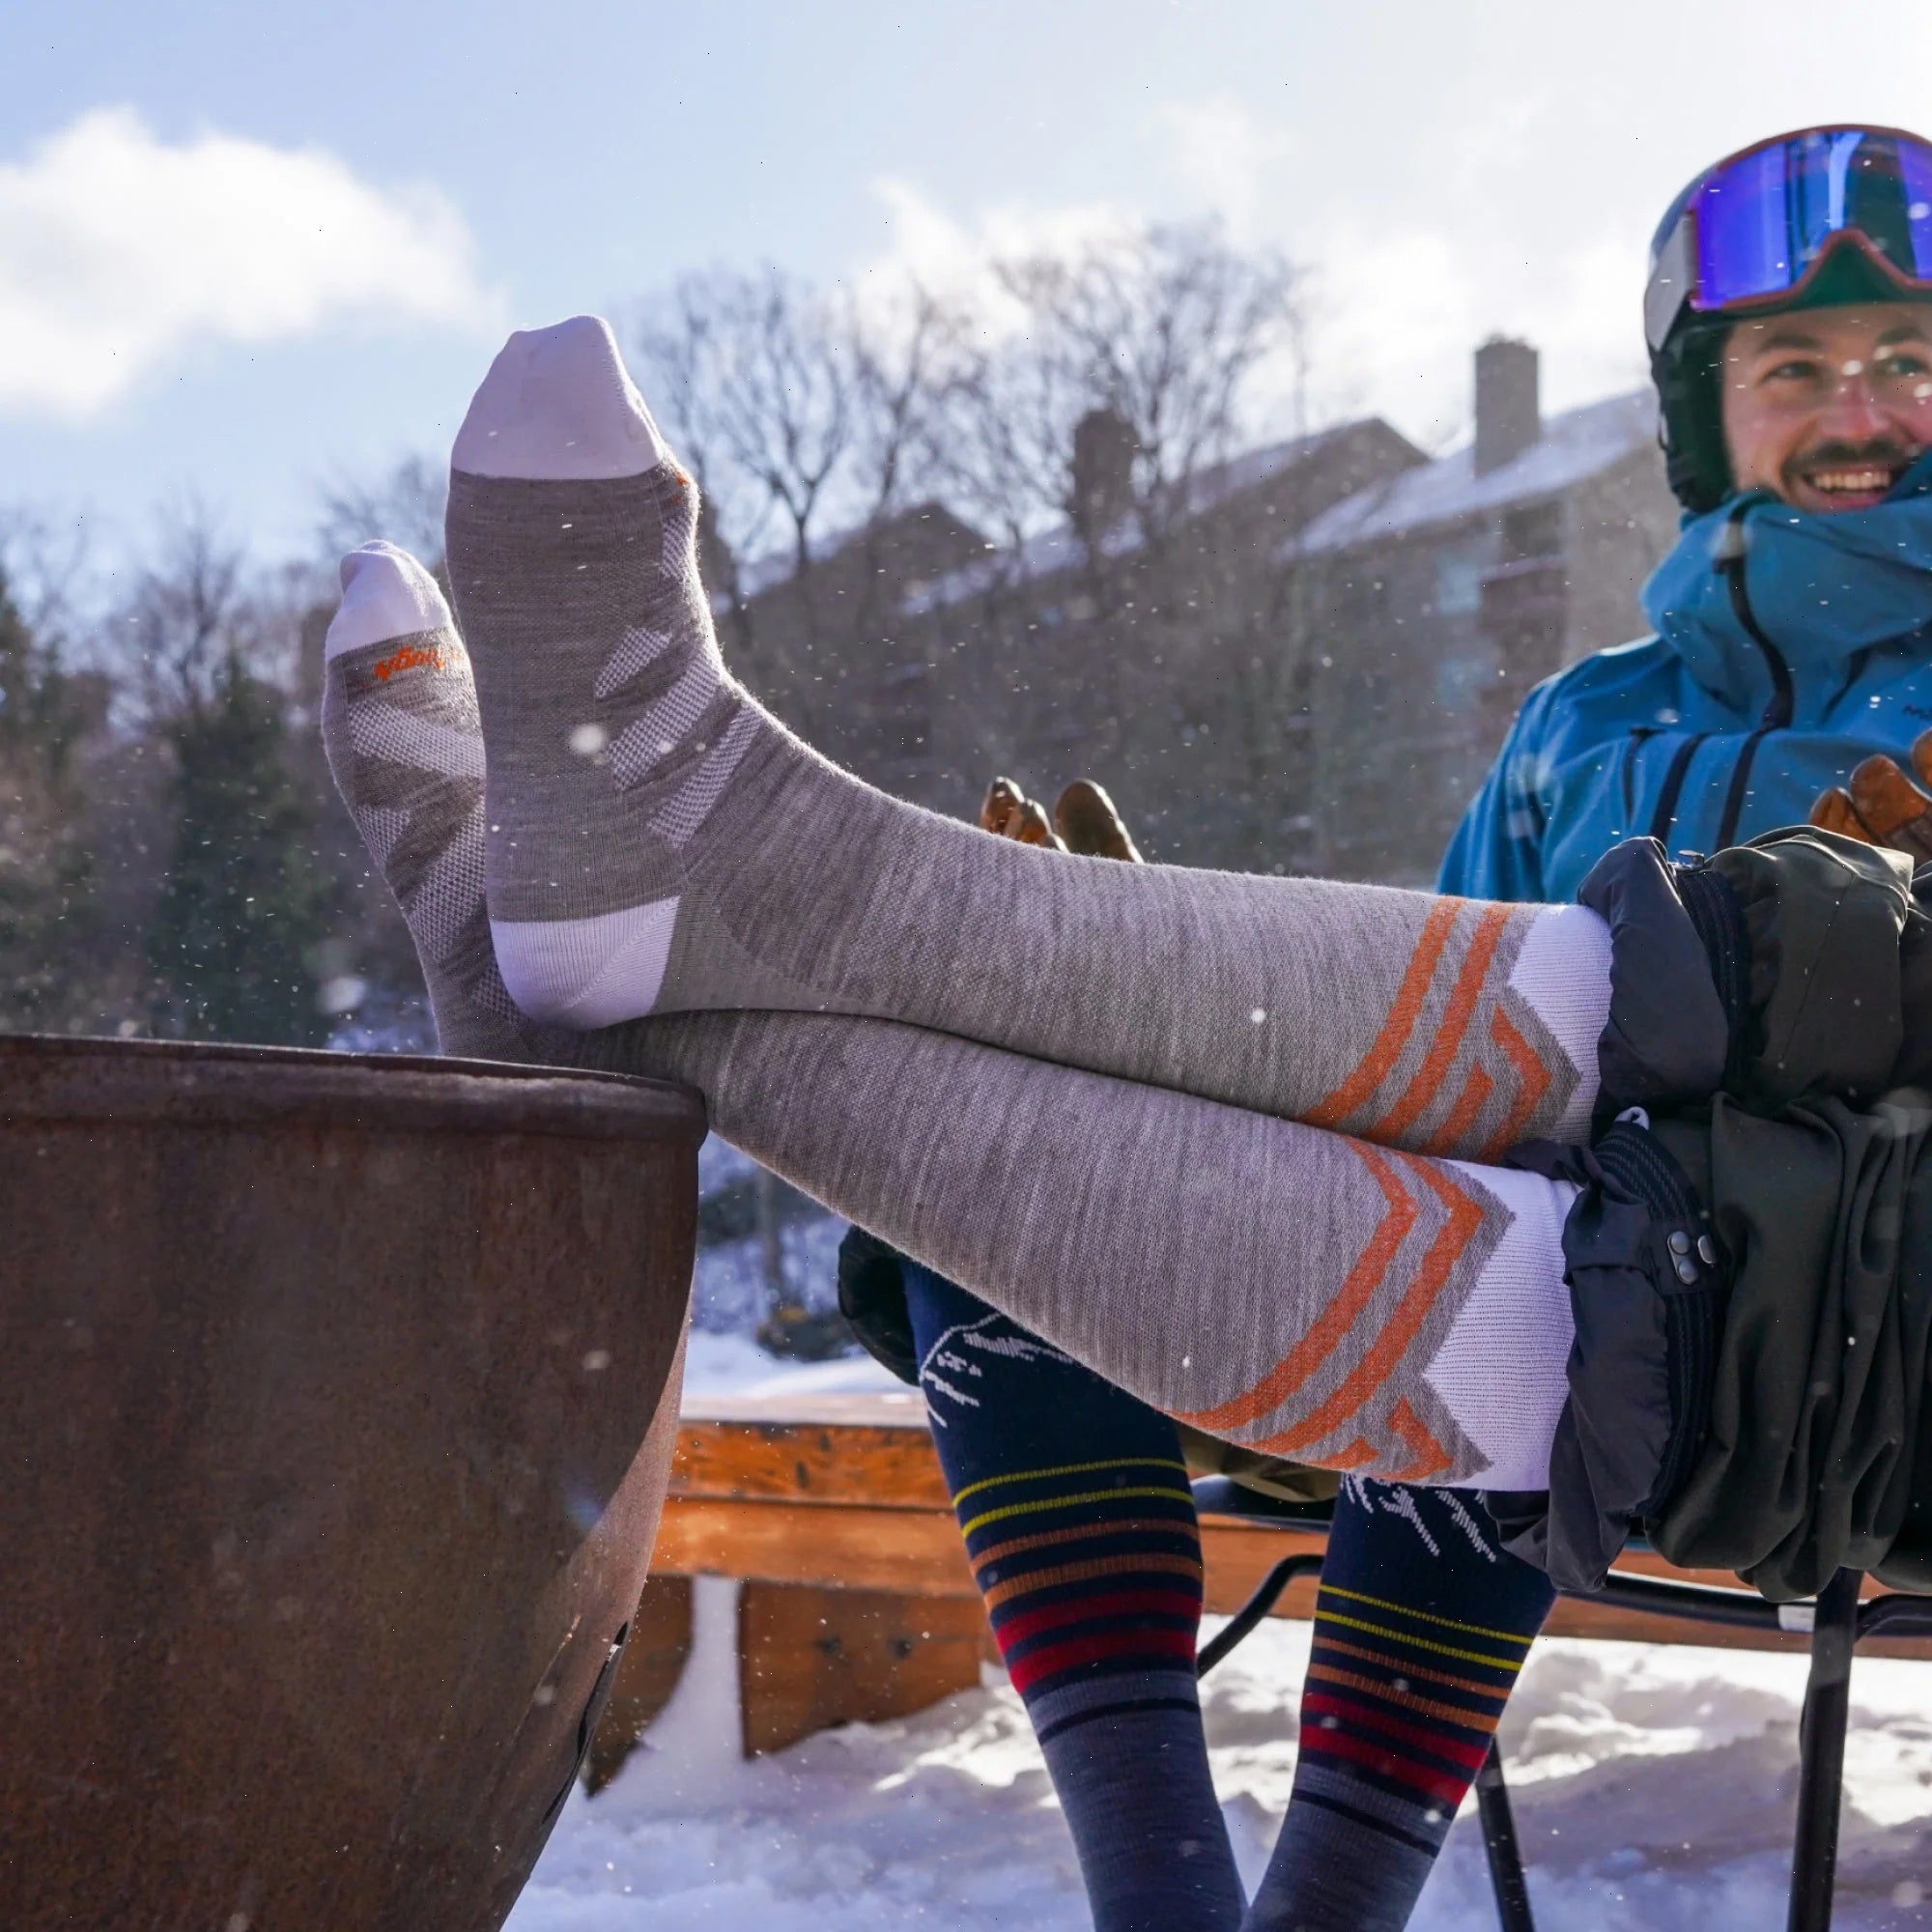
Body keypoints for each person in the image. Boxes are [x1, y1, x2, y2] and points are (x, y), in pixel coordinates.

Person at [314, 122, 1932, 1931]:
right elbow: (1457, 1074)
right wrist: (1149, 1023)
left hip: (1817, 1347)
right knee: (1022, 1198)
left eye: (1905, 361)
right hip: (1556, 1313)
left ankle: (709, 942)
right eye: (1797, 367)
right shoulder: (1586, 720)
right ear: (1710, 410)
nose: (1858, 410)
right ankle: (1169, 1900)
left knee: (1638, 1131)